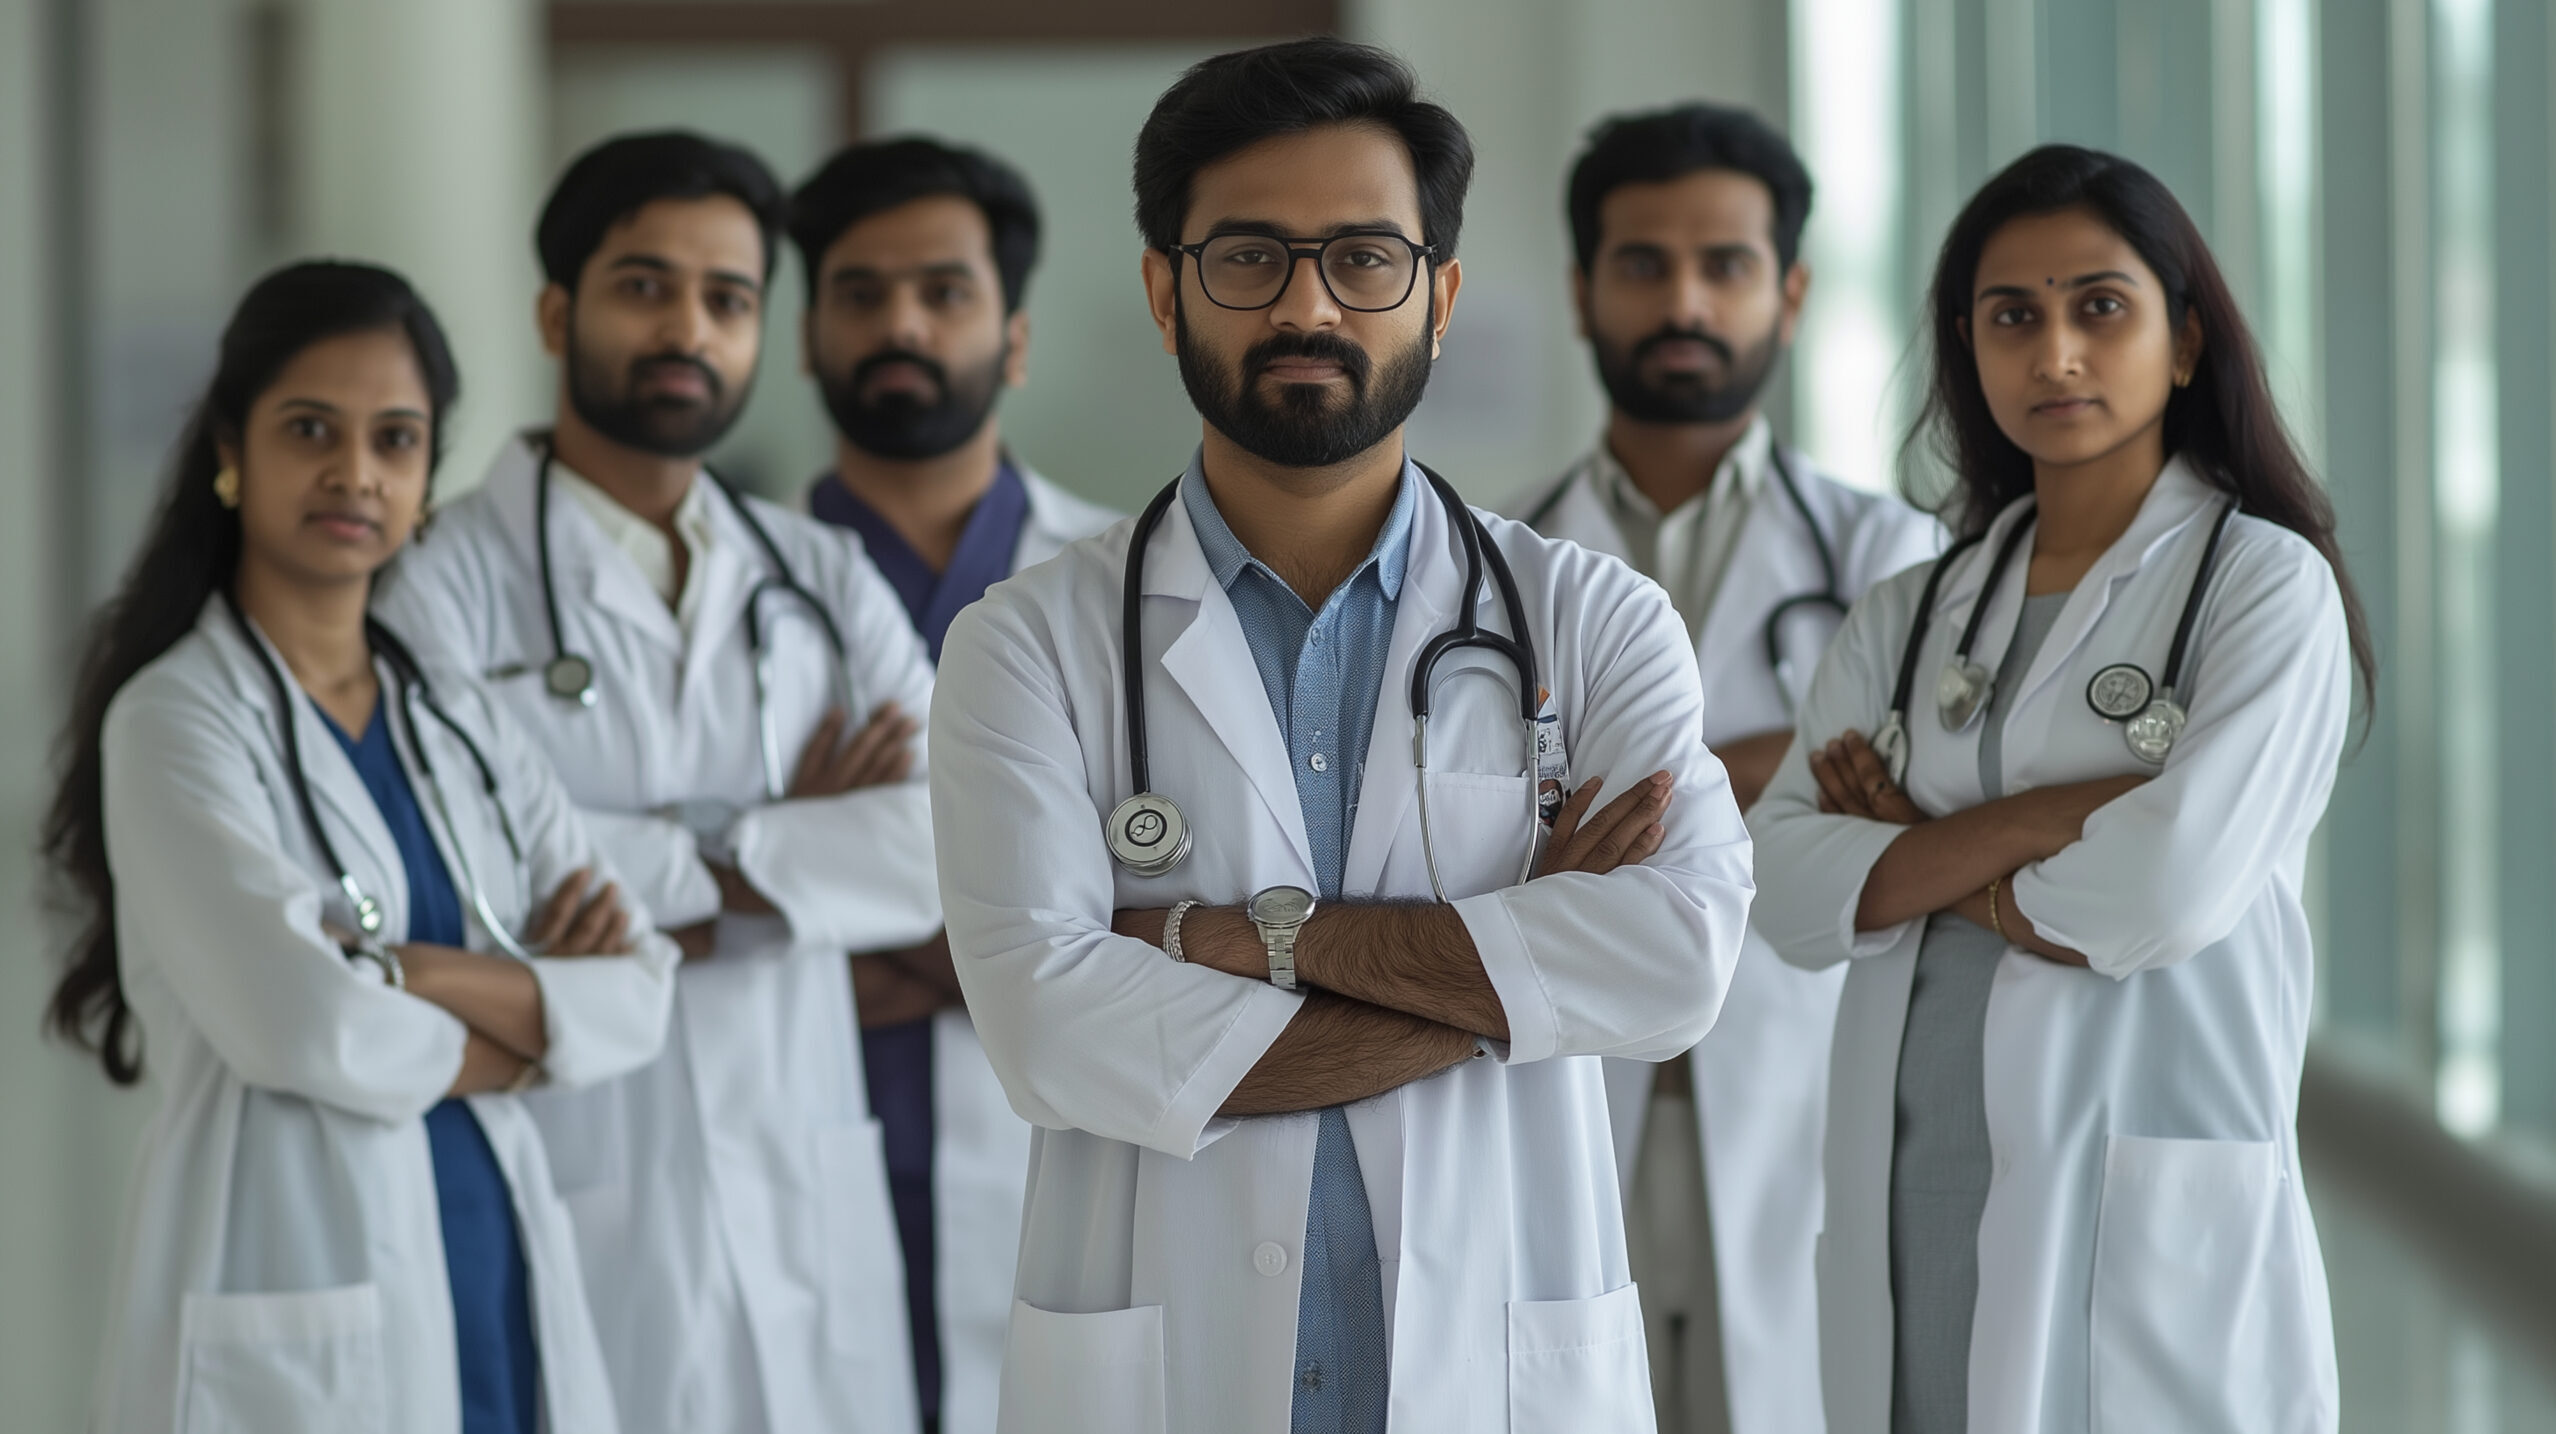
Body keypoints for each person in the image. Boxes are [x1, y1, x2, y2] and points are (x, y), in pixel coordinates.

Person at [927, 40, 1755, 1434]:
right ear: (1165, 291)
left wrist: (1244, 942)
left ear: (1438, 297)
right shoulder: (1026, 645)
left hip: (1499, 1372)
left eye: (1364, 257)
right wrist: (1517, 969)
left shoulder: (1592, 619)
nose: (1306, 304)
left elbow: (1674, 963)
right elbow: (1050, 1033)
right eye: (1249, 256)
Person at [1748, 144, 2367, 1434]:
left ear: (2184, 342)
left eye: (2101, 307)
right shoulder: (1908, 612)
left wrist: (1910, 857)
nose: (2058, 353)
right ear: (1968, 347)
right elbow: (1789, 894)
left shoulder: (2263, 587)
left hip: (2145, 1198)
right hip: (1912, 1188)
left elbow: (2155, 894)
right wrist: (2050, 820)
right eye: (2013, 317)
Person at [375, 132, 941, 1434]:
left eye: (727, 299)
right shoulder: (437, 585)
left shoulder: (817, 574)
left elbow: (938, 845)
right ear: (556, 313)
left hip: (802, 1190)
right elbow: (473, 871)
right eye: (645, 286)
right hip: (581, 1170)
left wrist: (651, 872)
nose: (688, 328)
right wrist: (788, 852)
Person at [51, 261, 679, 1434]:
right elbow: (307, 1024)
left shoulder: (458, 717)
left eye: (395, 439)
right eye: (310, 430)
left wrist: (408, 971)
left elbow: (642, 988)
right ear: (231, 451)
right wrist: (542, 1029)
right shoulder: (177, 720)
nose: (355, 473)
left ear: (427, 477)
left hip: (492, 1253)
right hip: (294, 1260)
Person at [1508, 102, 1938, 1434]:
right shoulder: (1489, 568)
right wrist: (1793, 769)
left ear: (1790, 293)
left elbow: (1923, 802)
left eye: (1725, 265)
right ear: (1582, 291)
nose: (1684, 302)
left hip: (1805, 1085)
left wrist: (1624, 793)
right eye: (1643, 264)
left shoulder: (1891, 559)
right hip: (1565, 1086)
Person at [791, 134, 1118, 1434]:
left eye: (944, 291)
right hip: (798, 1133)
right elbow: (660, 914)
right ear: (806, 335)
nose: (903, 325)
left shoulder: (1127, 589)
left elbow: (1165, 911)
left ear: (1015, 338)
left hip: (1060, 1147)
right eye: (860, 293)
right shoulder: (739, 593)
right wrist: (1017, 943)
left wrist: (813, 877)